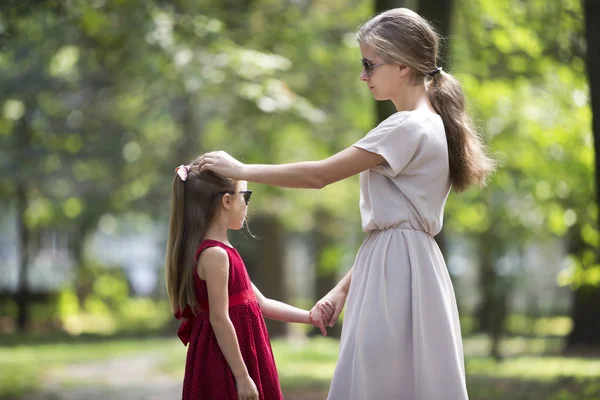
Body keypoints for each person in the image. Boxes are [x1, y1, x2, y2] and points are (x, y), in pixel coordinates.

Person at [198, 7, 495, 400]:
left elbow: (319, 175)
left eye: (369, 64)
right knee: (408, 379)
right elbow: (394, 229)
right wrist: (341, 291)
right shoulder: (430, 123)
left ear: (403, 65)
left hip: (395, 276)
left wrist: (242, 167)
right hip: (411, 268)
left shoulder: (406, 126)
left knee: (378, 382)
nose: (363, 75)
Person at [165, 159, 333, 400]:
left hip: (243, 353)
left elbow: (260, 303)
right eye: (246, 195)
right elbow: (220, 319)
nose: (247, 204)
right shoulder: (215, 255)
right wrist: (242, 376)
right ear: (226, 201)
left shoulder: (225, 251)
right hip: (225, 362)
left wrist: (309, 317)